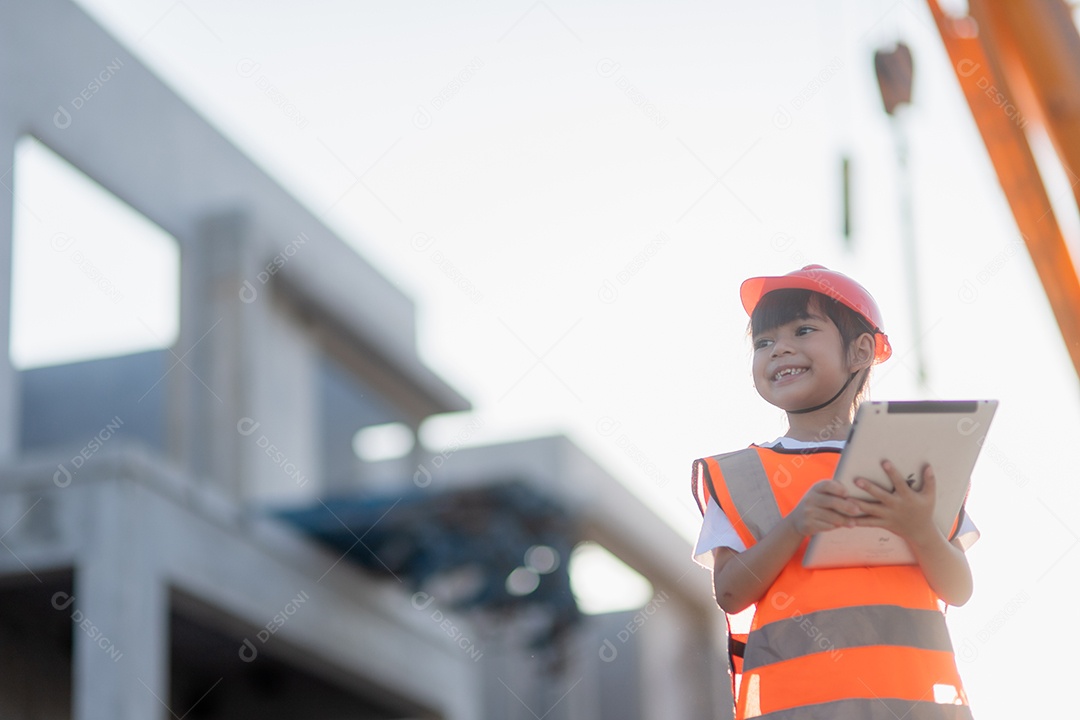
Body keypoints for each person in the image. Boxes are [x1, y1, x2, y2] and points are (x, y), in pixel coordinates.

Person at [691, 265, 978, 720]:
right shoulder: (740, 475)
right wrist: (795, 527)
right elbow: (729, 594)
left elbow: (958, 589)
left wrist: (920, 530)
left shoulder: (916, 463)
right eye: (764, 342)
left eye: (803, 330)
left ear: (861, 351)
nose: (780, 348)